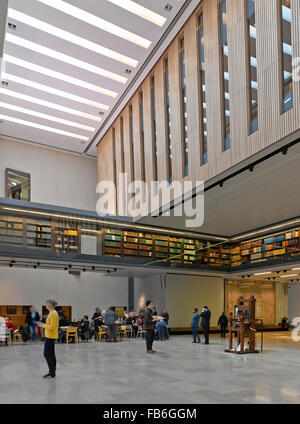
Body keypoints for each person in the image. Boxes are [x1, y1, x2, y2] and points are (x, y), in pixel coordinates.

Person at [36, 299, 59, 379]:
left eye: (46, 303)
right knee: (51, 354)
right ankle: (52, 372)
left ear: (50, 304)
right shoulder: (52, 313)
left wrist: (42, 325)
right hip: (50, 335)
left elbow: (52, 327)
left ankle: (51, 372)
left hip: (50, 336)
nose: (45, 305)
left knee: (46, 354)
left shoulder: (53, 313)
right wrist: (43, 324)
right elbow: (51, 325)